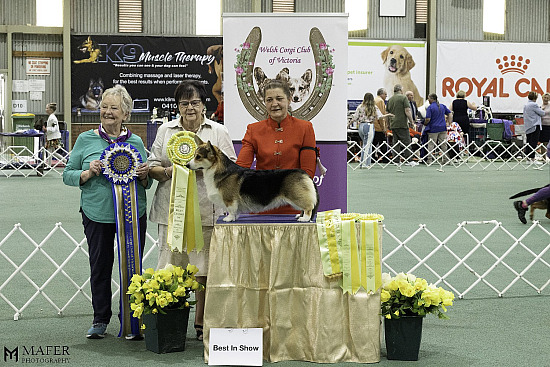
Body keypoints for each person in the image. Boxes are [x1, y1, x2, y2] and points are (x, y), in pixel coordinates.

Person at [147, 80, 236, 341]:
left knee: (204, 270)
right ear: (177, 106)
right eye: (184, 103)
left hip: (208, 211)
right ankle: (169, 323)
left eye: (195, 102)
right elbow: (151, 164)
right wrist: (168, 171)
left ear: (203, 104)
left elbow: (231, 169)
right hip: (171, 211)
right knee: (170, 266)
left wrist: (203, 168)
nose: (190, 107)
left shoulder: (218, 131)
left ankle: (201, 323)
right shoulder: (165, 130)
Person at [62, 85, 151, 340]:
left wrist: (145, 176)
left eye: (114, 108)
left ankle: (132, 321)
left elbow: (146, 183)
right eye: (104, 107)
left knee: (132, 267)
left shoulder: (135, 141)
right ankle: (100, 319)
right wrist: (88, 172)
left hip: (134, 215)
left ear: (126, 114)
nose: (107, 112)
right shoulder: (85, 139)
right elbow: (67, 175)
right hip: (96, 214)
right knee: (100, 267)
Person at [236, 79, 317, 213]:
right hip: (261, 205)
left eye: (279, 98)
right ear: (264, 102)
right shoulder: (253, 130)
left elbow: (307, 173)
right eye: (269, 100)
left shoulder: (305, 128)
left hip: (295, 205)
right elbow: (240, 169)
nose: (275, 104)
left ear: (289, 99)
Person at [348, 92, 393, 167]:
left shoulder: (360, 107)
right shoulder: (374, 107)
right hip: (369, 126)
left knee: (364, 144)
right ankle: (364, 163)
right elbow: (380, 116)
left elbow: (354, 118)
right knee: (367, 145)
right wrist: (388, 115)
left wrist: (348, 125)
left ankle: (365, 162)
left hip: (361, 126)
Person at [386, 84, 417, 166]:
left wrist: (388, 124)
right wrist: (411, 121)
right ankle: (409, 160)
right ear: (400, 90)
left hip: (393, 123)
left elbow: (387, 113)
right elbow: (407, 110)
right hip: (402, 123)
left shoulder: (390, 99)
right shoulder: (404, 98)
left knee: (395, 143)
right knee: (407, 142)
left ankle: (396, 160)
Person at [424, 93, 452, 165]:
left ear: (431, 99)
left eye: (428, 98)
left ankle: (429, 160)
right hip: (443, 127)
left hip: (433, 128)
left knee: (431, 144)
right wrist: (449, 122)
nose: (428, 100)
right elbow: (450, 113)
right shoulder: (442, 106)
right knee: (443, 144)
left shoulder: (430, 108)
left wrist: (425, 123)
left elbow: (428, 119)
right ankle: (445, 159)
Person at [523, 91, 545, 162]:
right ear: (535, 98)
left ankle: (528, 158)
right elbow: (542, 113)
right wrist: (542, 108)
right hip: (535, 125)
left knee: (528, 142)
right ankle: (532, 158)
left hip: (528, 126)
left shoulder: (526, 105)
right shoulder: (534, 105)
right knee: (533, 142)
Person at [374, 88, 389, 162]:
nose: (386, 96)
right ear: (381, 94)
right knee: (383, 142)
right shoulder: (380, 101)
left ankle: (373, 158)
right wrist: (383, 127)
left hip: (374, 125)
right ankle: (385, 158)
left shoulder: (375, 99)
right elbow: (381, 116)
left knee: (374, 143)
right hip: (378, 126)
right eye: (385, 94)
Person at [539, 92, 550, 157]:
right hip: (542, 126)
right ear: (542, 98)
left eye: (547, 98)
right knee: (543, 143)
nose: (546, 99)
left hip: (549, 125)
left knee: (548, 142)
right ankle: (543, 158)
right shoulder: (540, 106)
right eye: (545, 98)